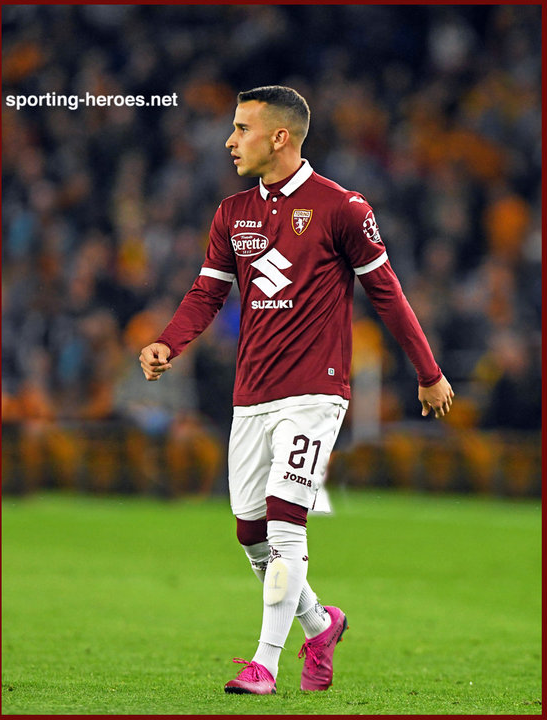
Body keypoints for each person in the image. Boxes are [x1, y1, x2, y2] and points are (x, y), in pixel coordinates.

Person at [139, 85, 454, 695]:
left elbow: (385, 292)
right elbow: (208, 293)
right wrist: (167, 343)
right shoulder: (232, 213)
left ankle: (263, 662)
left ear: (279, 136)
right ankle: (320, 622)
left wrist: (429, 371)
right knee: (249, 532)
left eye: (241, 129)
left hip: (316, 391)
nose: (230, 141)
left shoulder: (342, 208)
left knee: (286, 519)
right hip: (251, 392)